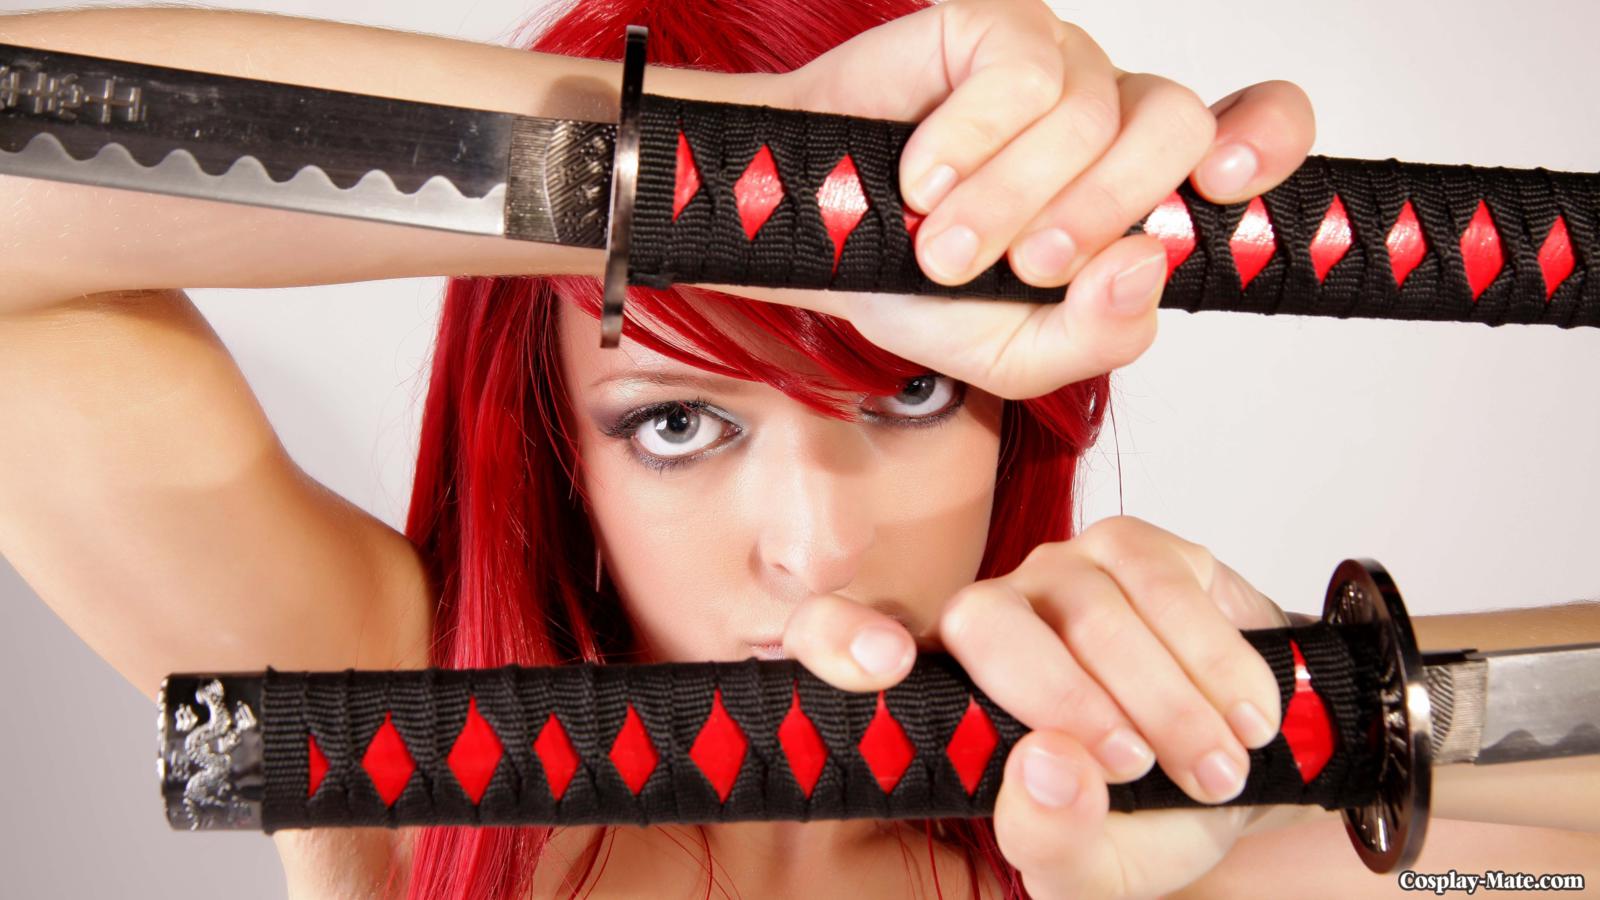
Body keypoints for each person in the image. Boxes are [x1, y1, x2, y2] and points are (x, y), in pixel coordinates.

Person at [0, 0, 1596, 898]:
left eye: (908, 398)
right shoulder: (413, 747)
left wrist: (1299, 773)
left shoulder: (1174, 841)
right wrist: (700, 183)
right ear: (556, 441)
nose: (817, 549)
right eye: (678, 423)